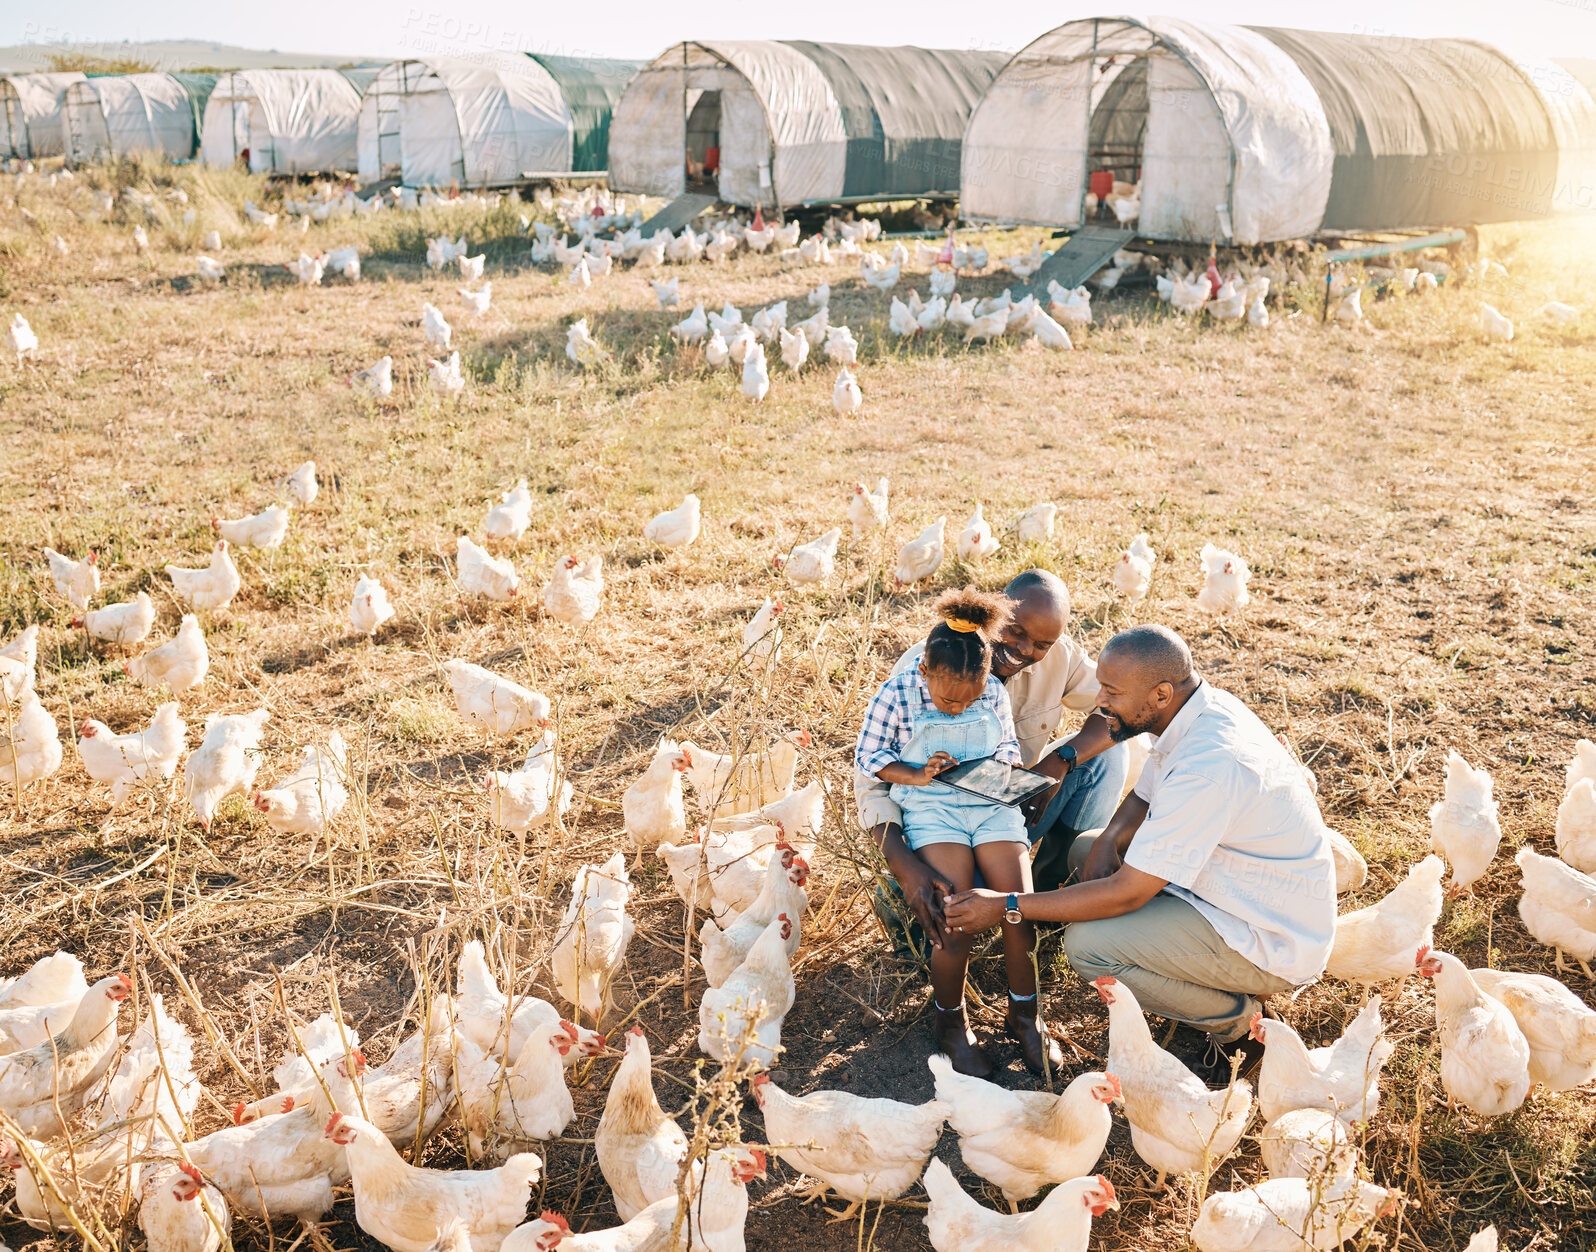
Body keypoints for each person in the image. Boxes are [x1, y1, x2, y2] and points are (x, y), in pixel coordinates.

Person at [943, 624, 1337, 1074]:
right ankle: (1197, 974)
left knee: (1090, 946)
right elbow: (1145, 793)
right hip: (1232, 888)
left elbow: (1129, 893)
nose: (1100, 701)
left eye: (1111, 691)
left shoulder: (1209, 767)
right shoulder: (1198, 710)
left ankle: (1244, 1025)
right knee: (1086, 850)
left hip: (1269, 935)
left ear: (1161, 694)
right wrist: (1109, 840)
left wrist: (1009, 906)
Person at [857, 570, 1127, 972]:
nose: (1023, 649)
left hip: (1004, 815)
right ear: (995, 611)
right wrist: (904, 865)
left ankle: (1046, 892)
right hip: (931, 824)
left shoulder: (1060, 655)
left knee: (1105, 757)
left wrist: (1058, 763)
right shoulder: (928, 667)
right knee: (923, 930)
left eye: (1041, 644)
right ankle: (913, 894)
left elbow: (1118, 709)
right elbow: (871, 786)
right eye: (1015, 630)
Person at [855, 588, 1043, 1076]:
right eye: (946, 700)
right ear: (923, 673)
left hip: (988, 802)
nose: (958, 709)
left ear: (986, 680)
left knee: (1019, 906)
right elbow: (870, 759)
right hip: (932, 806)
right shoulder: (897, 692)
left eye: (970, 698)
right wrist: (917, 773)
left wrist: (1009, 776)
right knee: (953, 911)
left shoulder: (995, 691)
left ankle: (1025, 1015)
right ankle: (952, 1023)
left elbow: (1005, 747)